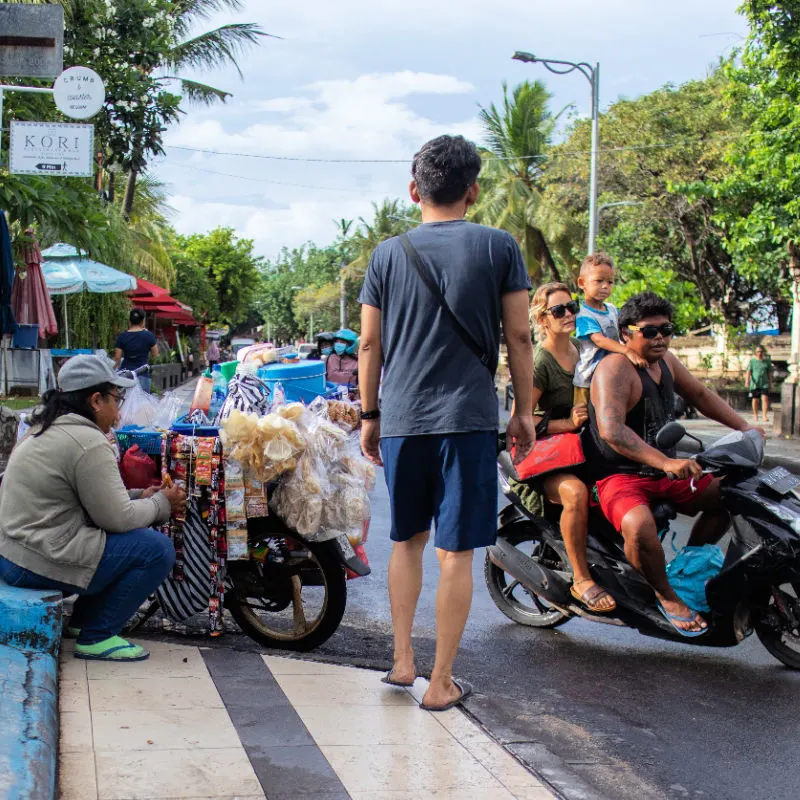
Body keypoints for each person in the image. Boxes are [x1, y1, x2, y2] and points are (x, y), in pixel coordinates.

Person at [359, 134, 535, 711]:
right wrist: (525, 410)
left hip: (403, 418)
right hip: (468, 418)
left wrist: (369, 415)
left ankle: (402, 659)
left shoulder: (387, 255)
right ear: (474, 191)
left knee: (406, 540)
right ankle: (441, 682)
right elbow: (519, 336)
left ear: (415, 190)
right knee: (456, 552)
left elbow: (368, 346)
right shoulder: (499, 246)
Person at [587, 292, 761, 635]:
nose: (661, 338)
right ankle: (665, 595)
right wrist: (665, 461)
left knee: (727, 495)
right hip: (619, 476)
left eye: (667, 330)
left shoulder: (666, 362)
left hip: (666, 468)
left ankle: (686, 568)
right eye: (650, 331)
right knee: (638, 528)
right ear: (626, 333)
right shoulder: (614, 369)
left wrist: (746, 428)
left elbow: (700, 395)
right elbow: (612, 431)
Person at [0, 354, 186, 661]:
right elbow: (117, 519)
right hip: (33, 560)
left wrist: (141, 495)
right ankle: (97, 635)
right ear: (96, 400)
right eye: (117, 398)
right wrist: (160, 503)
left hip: (14, 553)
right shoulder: (87, 441)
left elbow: (94, 499)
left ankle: (84, 620)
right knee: (156, 549)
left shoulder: (44, 426)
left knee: (117, 544)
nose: (119, 409)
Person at [516, 282, 615, 613]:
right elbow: (521, 419)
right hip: (548, 458)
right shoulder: (539, 361)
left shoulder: (580, 348)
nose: (569, 314)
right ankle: (581, 578)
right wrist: (566, 423)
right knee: (575, 493)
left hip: (584, 450)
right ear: (543, 318)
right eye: (559, 310)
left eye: (571, 306)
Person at [573, 253, 647, 405]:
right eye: (599, 281)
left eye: (610, 282)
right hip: (588, 378)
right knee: (582, 416)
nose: (605, 286)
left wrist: (639, 329)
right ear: (582, 283)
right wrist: (627, 350)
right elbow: (599, 340)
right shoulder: (583, 314)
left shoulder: (612, 309)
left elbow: (625, 328)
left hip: (611, 371)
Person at [113, 308, 158, 392]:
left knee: (125, 403)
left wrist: (111, 372)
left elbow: (117, 357)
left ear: (130, 321)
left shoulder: (122, 336)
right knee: (143, 403)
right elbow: (155, 354)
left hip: (126, 376)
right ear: (142, 321)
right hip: (143, 374)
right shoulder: (149, 335)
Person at [745, 345, 773, 425]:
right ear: (755, 352)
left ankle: (764, 415)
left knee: (765, 399)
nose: (759, 353)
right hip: (755, 384)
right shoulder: (752, 361)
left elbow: (770, 373)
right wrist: (747, 381)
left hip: (764, 383)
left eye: (761, 351)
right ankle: (755, 415)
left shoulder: (767, 362)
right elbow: (748, 372)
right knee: (755, 400)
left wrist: (770, 383)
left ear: (763, 352)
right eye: (758, 351)